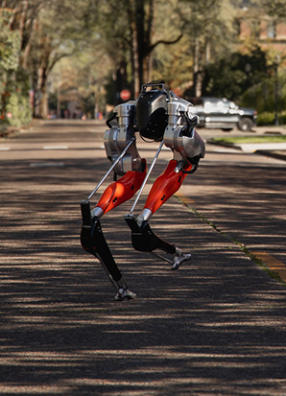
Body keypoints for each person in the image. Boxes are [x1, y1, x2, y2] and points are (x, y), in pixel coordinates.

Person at [80, 82, 204, 300]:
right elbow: (192, 150)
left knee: (132, 173)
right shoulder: (177, 107)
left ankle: (97, 214)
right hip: (172, 132)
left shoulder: (130, 108)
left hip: (132, 127)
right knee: (179, 165)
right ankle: (143, 219)